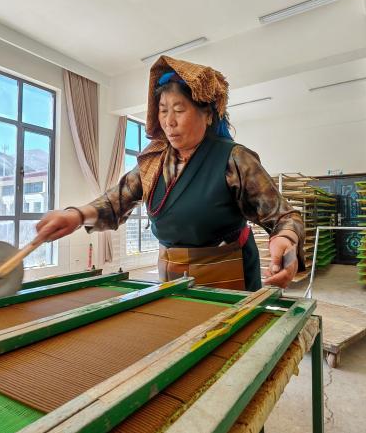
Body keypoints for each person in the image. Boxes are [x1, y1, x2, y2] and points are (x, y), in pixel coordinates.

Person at [36, 56, 305, 291]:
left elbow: (284, 216)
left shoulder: (233, 158)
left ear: (208, 115)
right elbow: (116, 201)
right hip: (171, 273)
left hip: (227, 271)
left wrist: (285, 240)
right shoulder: (155, 161)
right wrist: (76, 215)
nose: (169, 121)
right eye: (163, 111)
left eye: (179, 110)